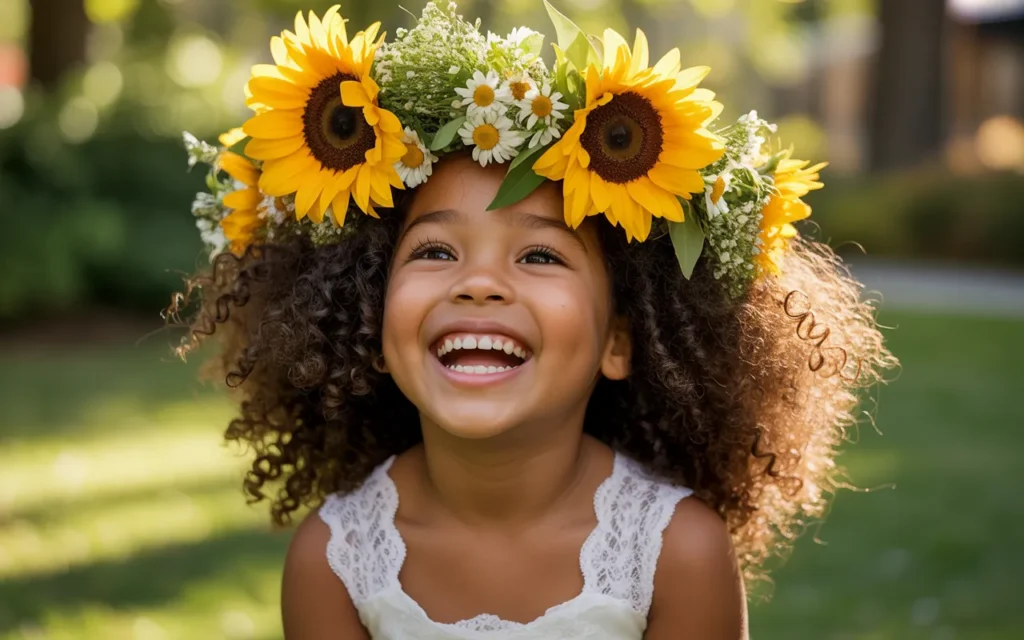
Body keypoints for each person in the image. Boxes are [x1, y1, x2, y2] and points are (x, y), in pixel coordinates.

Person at [172, 3, 896, 638]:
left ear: (620, 340)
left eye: (542, 257)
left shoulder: (678, 554)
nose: (480, 283)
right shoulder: (333, 559)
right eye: (435, 249)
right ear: (374, 328)